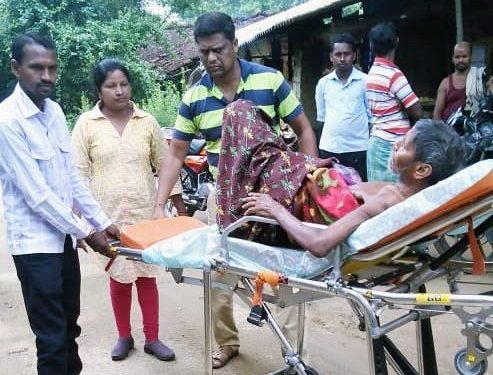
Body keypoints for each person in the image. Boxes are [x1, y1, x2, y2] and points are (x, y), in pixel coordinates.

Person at [153, 11, 318, 369]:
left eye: (218, 49)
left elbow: (303, 129)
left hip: (274, 198)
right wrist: (158, 205)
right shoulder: (194, 97)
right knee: (219, 276)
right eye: (203, 53)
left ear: (235, 44)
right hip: (223, 201)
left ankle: (292, 352)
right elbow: (175, 154)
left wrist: (307, 180)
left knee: (286, 276)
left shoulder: (270, 82)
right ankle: (227, 343)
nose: (211, 59)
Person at [0, 32, 119, 375]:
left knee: (70, 328)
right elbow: (37, 195)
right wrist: (87, 232)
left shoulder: (53, 111)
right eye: (37, 67)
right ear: (15, 68)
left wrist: (103, 222)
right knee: (51, 338)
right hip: (35, 249)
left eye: (52, 68)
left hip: (62, 242)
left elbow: (71, 179)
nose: (47, 76)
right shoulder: (8, 120)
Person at [71, 58, 179, 362]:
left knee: (147, 275)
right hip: (106, 216)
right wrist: (80, 224)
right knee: (118, 276)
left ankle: (153, 338)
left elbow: (165, 164)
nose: (119, 91)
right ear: (99, 90)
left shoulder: (147, 121)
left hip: (145, 214)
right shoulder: (85, 124)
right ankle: (124, 336)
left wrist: (173, 206)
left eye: (124, 84)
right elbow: (76, 175)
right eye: (111, 86)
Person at [241, 118, 465, 256]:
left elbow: (319, 244)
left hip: (295, 193)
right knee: (252, 128)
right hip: (302, 181)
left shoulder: (387, 201)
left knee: (242, 115)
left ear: (421, 170)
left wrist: (274, 209)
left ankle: (230, 216)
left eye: (404, 145)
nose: (396, 145)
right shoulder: (403, 195)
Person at [366, 22, 422, 182]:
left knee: (379, 198)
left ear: (371, 45)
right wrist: (403, 106)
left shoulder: (372, 72)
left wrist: (400, 104)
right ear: (396, 41)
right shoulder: (394, 75)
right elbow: (417, 111)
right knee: (394, 199)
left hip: (377, 143)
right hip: (392, 147)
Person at [315, 32, 370, 181]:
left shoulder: (365, 81)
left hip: (359, 149)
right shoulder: (323, 84)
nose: (342, 58)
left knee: (360, 191)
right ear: (331, 57)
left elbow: (371, 117)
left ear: (354, 55)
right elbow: (322, 118)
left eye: (346, 54)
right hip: (330, 148)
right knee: (333, 194)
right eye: (338, 54)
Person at [433, 42, 471, 121]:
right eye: (457, 57)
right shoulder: (446, 83)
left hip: (472, 129)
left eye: (464, 56)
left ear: (471, 57)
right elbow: (437, 113)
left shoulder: (478, 79)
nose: (461, 60)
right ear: (453, 59)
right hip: (448, 130)